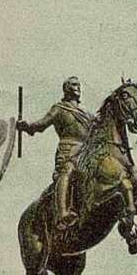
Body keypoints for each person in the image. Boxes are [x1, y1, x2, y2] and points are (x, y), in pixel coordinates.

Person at [17, 76, 93, 231]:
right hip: (68, 148)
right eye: (73, 85)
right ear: (66, 89)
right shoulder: (59, 108)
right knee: (67, 172)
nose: (77, 87)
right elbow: (42, 124)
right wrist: (27, 126)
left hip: (86, 152)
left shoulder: (87, 114)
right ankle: (62, 213)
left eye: (78, 84)